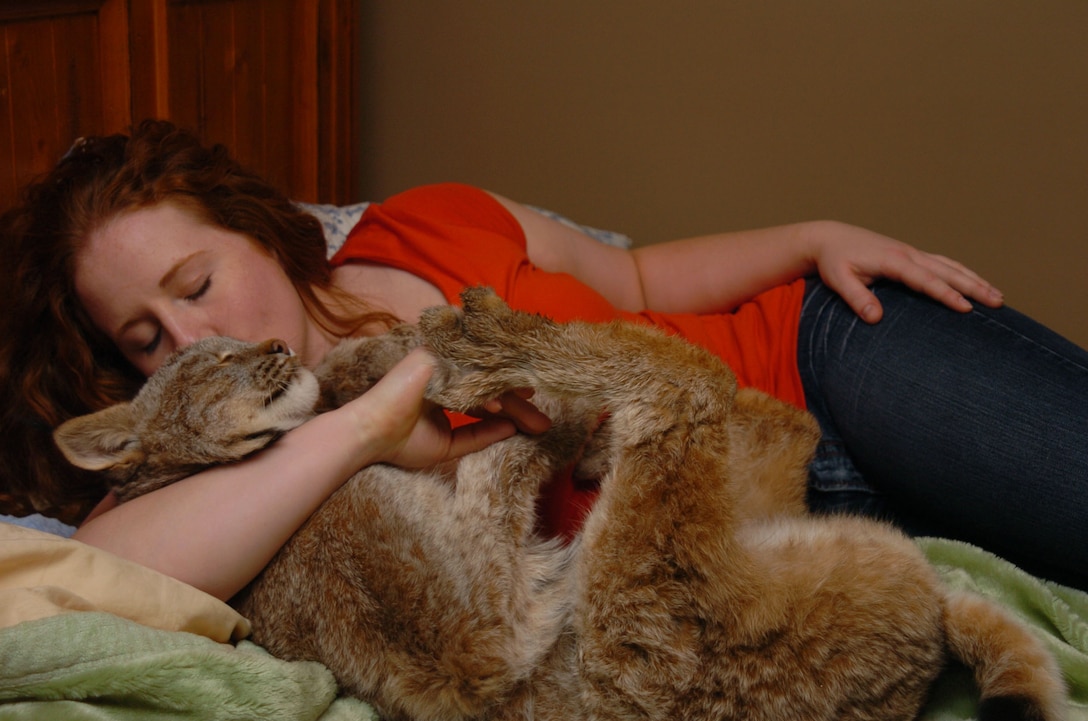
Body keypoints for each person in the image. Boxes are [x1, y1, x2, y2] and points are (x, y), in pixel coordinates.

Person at [1, 120, 1084, 600]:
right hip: (767, 520)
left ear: (257, 229)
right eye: (146, 338)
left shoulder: (427, 225)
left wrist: (811, 236)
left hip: (819, 360)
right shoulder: (233, 460)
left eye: (195, 285)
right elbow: (110, 566)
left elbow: (641, 277)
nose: (192, 341)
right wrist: (359, 430)